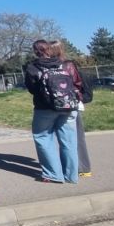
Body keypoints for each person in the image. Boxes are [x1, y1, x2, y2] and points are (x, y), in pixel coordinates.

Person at [24, 39, 78, 184]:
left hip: (45, 108)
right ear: (49, 49)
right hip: (67, 105)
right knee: (69, 141)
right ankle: (71, 175)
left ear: (35, 51)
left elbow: (31, 88)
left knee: (43, 138)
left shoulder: (33, 67)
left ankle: (54, 173)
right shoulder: (63, 64)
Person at [48, 40, 92, 177]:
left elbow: (78, 84)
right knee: (72, 137)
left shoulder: (63, 66)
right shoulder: (67, 65)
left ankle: (78, 168)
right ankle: (77, 167)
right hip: (67, 104)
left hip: (62, 105)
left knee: (71, 137)